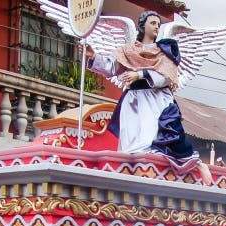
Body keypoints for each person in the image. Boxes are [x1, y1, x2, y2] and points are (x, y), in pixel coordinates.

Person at [89, 10, 212, 184]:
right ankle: (131, 176)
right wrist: (93, 58)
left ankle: (196, 166)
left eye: (158, 24)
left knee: (155, 141)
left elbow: (167, 77)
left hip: (155, 100)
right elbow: (112, 68)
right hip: (133, 103)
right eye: (153, 23)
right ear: (143, 25)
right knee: (131, 148)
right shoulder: (128, 50)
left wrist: (139, 75)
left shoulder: (162, 51)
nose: (156, 27)